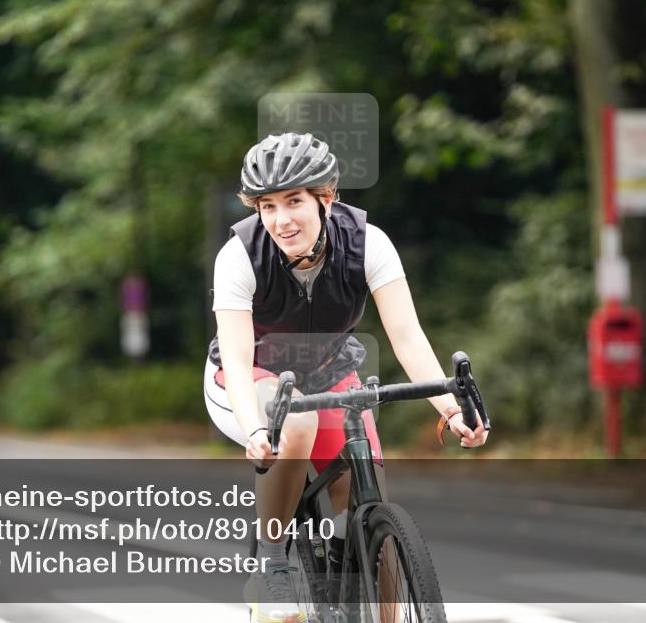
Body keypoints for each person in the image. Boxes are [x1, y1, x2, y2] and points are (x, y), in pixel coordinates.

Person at [204, 133, 489, 623]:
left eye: (294, 201)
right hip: (247, 376)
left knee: (367, 499)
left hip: (328, 373)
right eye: (268, 206)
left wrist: (450, 408)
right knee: (296, 424)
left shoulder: (368, 243)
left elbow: (407, 337)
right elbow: (235, 352)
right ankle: (271, 566)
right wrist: (255, 429)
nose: (281, 219)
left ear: (326, 197)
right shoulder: (239, 255)